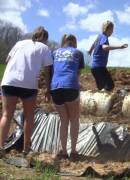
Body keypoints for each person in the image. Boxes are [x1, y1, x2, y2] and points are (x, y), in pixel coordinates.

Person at [0, 26, 53, 154]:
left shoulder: (19, 43)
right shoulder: (45, 48)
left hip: (9, 81)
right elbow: (47, 71)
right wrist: (48, 89)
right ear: (45, 39)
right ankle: (25, 149)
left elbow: (7, 61)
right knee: (29, 117)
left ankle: (0, 147)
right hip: (28, 84)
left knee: (7, 115)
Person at [50, 34, 84, 159]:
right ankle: (73, 152)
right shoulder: (78, 53)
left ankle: (64, 152)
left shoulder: (54, 53)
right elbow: (78, 73)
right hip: (70, 85)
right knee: (74, 119)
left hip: (55, 87)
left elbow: (52, 71)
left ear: (63, 42)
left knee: (64, 120)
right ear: (74, 42)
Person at [88, 20, 128, 92]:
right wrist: (119, 47)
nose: (112, 32)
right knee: (110, 85)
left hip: (94, 67)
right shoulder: (104, 37)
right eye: (112, 30)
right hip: (100, 67)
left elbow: (94, 44)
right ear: (108, 29)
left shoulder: (99, 37)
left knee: (101, 88)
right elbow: (105, 47)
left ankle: (99, 102)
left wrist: (90, 51)